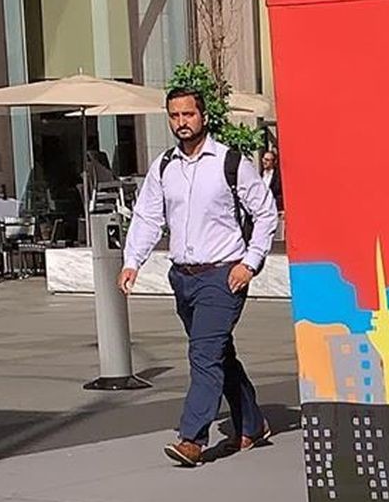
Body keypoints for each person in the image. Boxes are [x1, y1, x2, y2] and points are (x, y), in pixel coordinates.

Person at [119, 86, 279, 467]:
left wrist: (249, 263)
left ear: (203, 116)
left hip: (223, 276)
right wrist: (131, 261)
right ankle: (252, 424)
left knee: (203, 354)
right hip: (183, 278)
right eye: (174, 116)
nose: (181, 123)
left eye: (188, 114)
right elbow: (147, 217)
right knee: (218, 353)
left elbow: (266, 212)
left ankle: (192, 438)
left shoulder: (229, 162)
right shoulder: (164, 166)